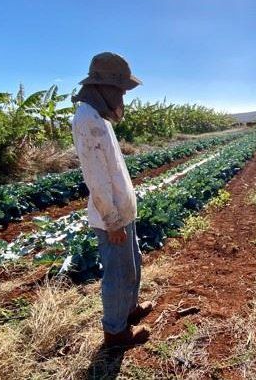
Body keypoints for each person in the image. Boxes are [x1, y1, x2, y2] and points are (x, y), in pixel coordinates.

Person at [71, 52, 153, 347]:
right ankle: (115, 332)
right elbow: (97, 179)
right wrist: (113, 221)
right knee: (117, 275)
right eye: (119, 90)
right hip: (112, 218)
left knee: (131, 265)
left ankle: (128, 310)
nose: (122, 97)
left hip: (122, 212)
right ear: (104, 87)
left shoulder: (98, 117)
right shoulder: (87, 120)